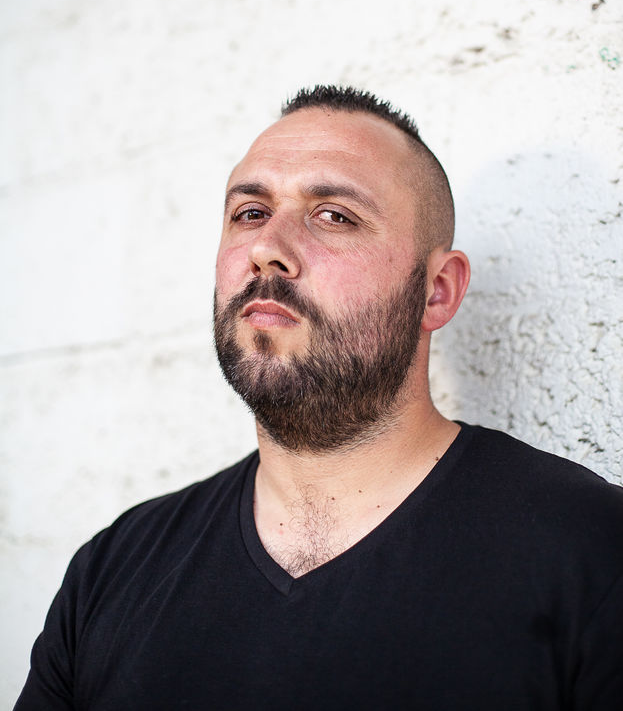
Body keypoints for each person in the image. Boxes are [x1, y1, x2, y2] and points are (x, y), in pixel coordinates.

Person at [15, 86, 623, 710]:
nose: (267, 249)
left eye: (334, 215)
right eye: (250, 212)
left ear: (437, 291)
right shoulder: (114, 570)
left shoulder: (592, 553)